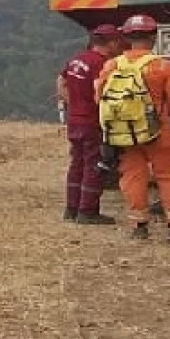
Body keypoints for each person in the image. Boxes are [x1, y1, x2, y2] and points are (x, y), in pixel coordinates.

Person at [95, 15, 170, 243]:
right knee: (168, 176)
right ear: (153, 37)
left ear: (127, 38)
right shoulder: (162, 65)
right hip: (158, 131)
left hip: (123, 132)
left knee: (132, 176)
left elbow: (98, 98)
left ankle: (139, 226)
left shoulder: (112, 65)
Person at [58, 24, 122, 224]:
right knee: (94, 165)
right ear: (110, 43)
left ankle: (71, 208)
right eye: (117, 42)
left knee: (76, 163)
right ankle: (87, 211)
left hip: (74, 119)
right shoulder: (102, 65)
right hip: (91, 121)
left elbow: (60, 81)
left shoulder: (76, 59)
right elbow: (103, 92)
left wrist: (71, 102)